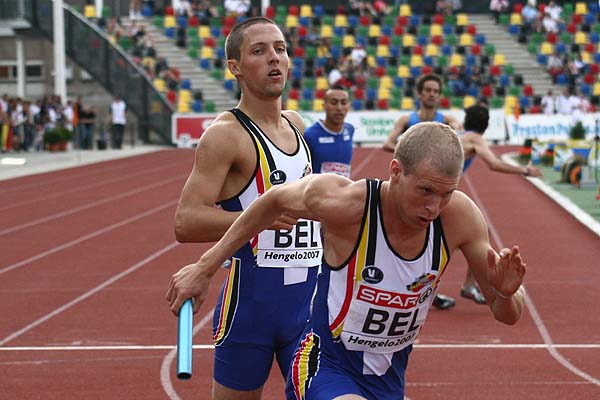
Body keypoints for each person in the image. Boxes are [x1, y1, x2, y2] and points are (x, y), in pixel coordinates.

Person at [168, 122, 527, 400]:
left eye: (446, 193)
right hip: (324, 366)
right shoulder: (347, 204)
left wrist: (506, 292)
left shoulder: (460, 218)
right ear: (395, 171)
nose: (434, 207)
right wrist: (205, 267)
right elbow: (273, 200)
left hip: (388, 379)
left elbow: (505, 314)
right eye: (425, 191)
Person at [166, 17, 321, 400]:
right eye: (259, 51)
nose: (274, 58)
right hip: (250, 310)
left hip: (307, 303)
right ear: (235, 67)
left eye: (280, 49)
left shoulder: (296, 125)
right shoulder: (226, 136)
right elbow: (186, 221)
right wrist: (260, 219)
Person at [382, 73, 462, 310]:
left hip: (438, 189)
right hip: (414, 188)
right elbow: (388, 143)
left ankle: (429, 289)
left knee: (439, 240)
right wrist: (411, 157)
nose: (432, 94)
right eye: (428, 90)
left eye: (436, 91)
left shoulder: (446, 121)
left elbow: (458, 138)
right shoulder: (407, 120)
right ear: (419, 93)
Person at [456, 104, 541, 304]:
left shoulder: (462, 135)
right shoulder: (475, 139)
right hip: (443, 193)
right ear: (486, 125)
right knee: (471, 236)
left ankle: (467, 285)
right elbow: (494, 164)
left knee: (474, 234)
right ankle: (463, 286)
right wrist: (525, 170)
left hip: (439, 190)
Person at [303, 85, 354, 177]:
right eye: (334, 103)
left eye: (343, 103)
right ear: (324, 106)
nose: (339, 108)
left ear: (349, 106)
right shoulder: (309, 136)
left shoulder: (350, 130)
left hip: (343, 186)